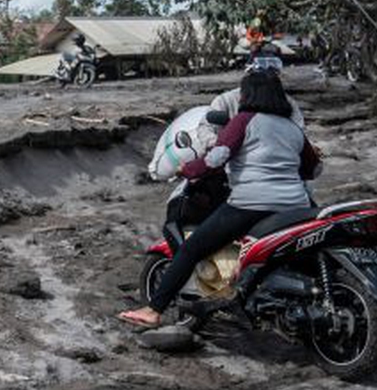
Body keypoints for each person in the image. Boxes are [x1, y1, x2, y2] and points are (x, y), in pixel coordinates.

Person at [116, 68, 321, 329]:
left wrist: (187, 170)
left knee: (191, 249)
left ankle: (153, 310)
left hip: (251, 204)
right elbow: (313, 170)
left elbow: (216, 159)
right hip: (296, 206)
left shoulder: (244, 119)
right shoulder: (293, 129)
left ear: (248, 94)